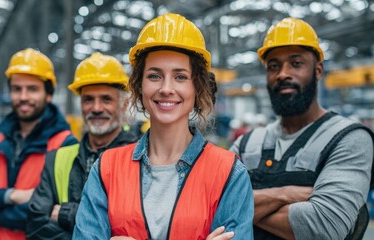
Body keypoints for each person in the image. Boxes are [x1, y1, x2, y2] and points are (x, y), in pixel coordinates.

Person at [73, 13, 254, 240]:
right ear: (139, 86)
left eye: (180, 77)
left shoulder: (229, 173)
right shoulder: (107, 169)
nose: (166, 88)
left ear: (196, 87)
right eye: (154, 76)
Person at [230, 18, 374, 240]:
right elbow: (211, 206)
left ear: (317, 71)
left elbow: (323, 228)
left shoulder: (349, 139)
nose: (283, 74)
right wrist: (284, 194)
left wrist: (239, 208)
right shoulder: (247, 143)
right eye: (273, 66)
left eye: (296, 64)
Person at [0, 48, 78, 240]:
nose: (23, 97)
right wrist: (11, 196)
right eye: (17, 89)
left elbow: (55, 212)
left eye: (32, 89)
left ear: (48, 94)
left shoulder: (66, 146)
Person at [26, 52, 139, 239]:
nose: (96, 108)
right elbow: (35, 229)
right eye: (88, 100)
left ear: (124, 104)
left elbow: (140, 226)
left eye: (106, 99)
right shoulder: (57, 159)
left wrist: (67, 214)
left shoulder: (141, 157)